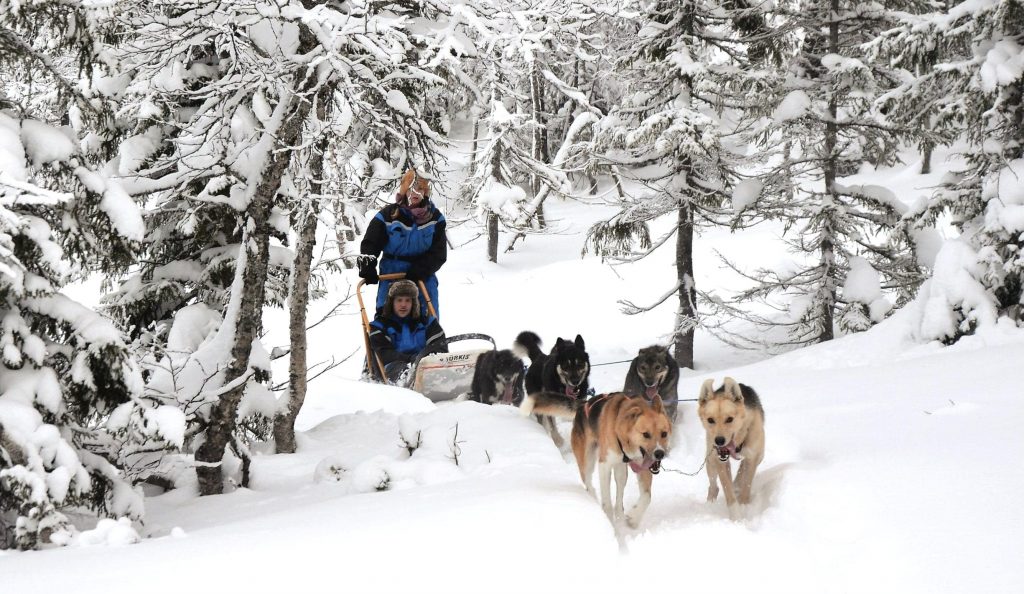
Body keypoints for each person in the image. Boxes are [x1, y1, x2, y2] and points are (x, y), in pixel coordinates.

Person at [358, 168, 447, 319]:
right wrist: (368, 265)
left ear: (425, 191)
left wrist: (421, 269)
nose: (415, 193)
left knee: (426, 319)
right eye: (411, 188)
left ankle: (431, 342)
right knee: (388, 318)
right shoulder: (388, 215)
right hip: (392, 273)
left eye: (419, 188)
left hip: (422, 275)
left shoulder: (435, 218)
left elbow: (439, 253)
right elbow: (371, 241)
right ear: (405, 190)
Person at [368, 280, 447, 384]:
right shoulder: (380, 326)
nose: (403, 305)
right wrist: (411, 359)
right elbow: (384, 354)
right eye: (399, 300)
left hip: (424, 365)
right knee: (400, 369)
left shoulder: (427, 323)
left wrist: (422, 359)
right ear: (392, 303)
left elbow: (440, 348)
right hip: (394, 367)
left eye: (407, 300)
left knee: (434, 365)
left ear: (413, 302)